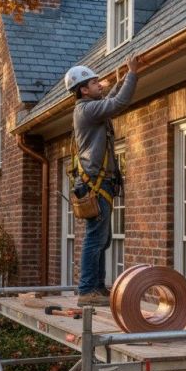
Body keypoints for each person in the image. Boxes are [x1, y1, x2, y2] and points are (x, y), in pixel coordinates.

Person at [65, 55, 138, 307]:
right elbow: (117, 104)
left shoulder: (90, 109)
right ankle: (87, 290)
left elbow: (109, 100)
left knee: (102, 238)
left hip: (98, 182)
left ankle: (96, 286)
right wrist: (132, 74)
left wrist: (119, 81)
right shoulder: (86, 110)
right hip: (95, 182)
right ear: (83, 89)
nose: (100, 85)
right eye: (95, 83)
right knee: (96, 237)